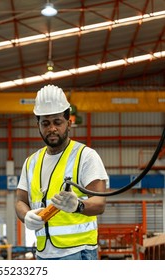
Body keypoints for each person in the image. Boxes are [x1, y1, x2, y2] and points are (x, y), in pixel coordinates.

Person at [15, 84, 108, 260]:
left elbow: (100, 203)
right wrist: (26, 215)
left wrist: (78, 205)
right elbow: (20, 201)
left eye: (57, 122)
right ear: (38, 125)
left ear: (69, 123)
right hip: (42, 254)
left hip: (78, 253)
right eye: (45, 123)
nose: (52, 129)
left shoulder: (85, 156)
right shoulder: (31, 163)